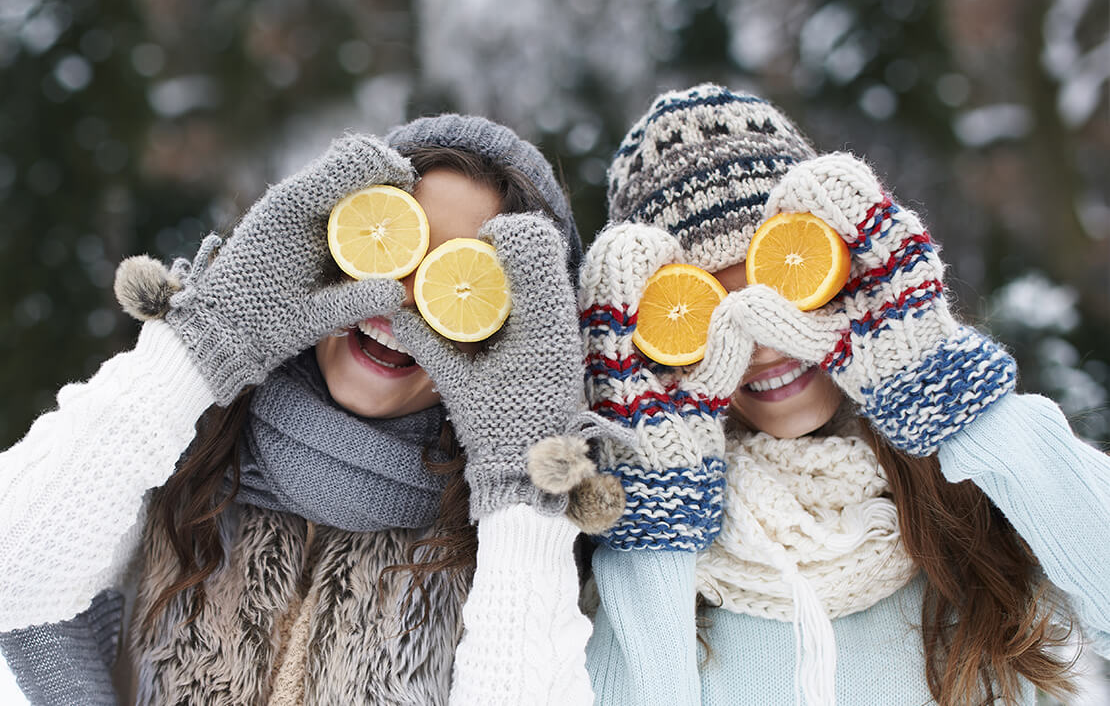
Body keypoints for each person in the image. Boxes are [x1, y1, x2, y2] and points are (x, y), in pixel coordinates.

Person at [0, 115, 594, 705]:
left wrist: (522, 490)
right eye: (389, 243)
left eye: (458, 283)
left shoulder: (517, 547)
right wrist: (204, 344)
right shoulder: (183, 436)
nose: (398, 303)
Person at [567, 84, 1110, 705]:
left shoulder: (988, 494)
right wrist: (656, 507)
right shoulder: (645, 570)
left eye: (784, 282)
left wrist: (944, 392)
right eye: (708, 310)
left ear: (848, 275)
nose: (764, 343)